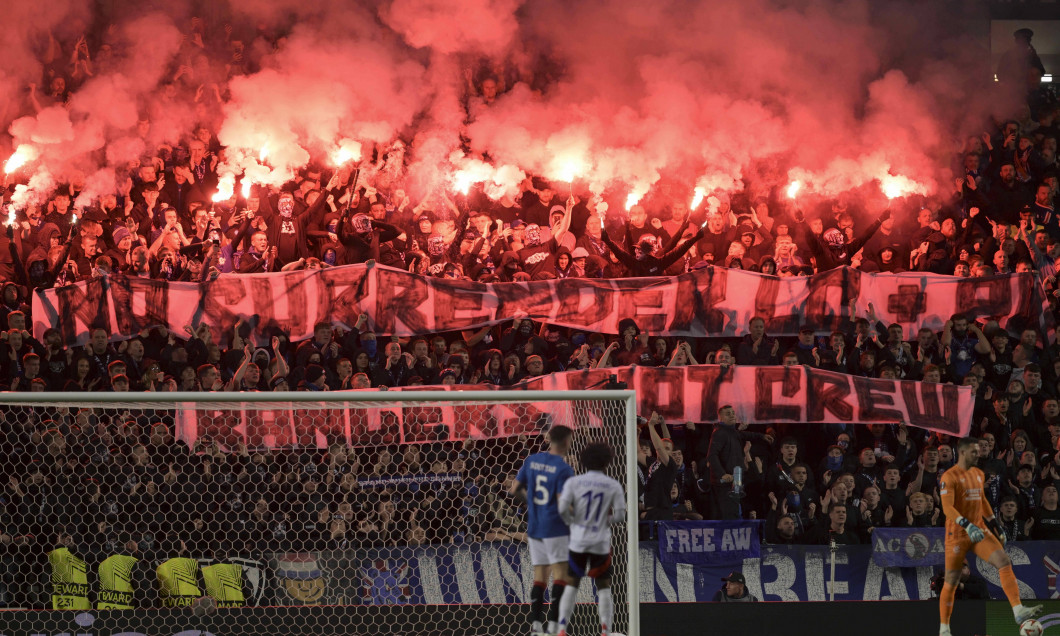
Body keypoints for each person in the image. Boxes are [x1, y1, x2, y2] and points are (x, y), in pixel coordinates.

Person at [938, 437, 1041, 636]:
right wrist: (966, 525)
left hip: (979, 529)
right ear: (962, 453)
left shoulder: (978, 473)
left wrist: (994, 523)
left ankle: (1018, 610)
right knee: (951, 580)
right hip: (958, 532)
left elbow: (982, 499)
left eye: (979, 451)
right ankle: (944, 629)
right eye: (974, 451)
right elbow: (947, 508)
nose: (978, 455)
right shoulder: (949, 477)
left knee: (1003, 560)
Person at [555, 442, 626, 636]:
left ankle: (562, 628)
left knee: (572, 584)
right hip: (600, 542)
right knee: (603, 586)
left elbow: (562, 509)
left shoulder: (574, 483)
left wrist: (573, 521)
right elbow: (620, 516)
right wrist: (605, 520)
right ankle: (605, 629)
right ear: (607, 462)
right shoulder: (613, 485)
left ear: (584, 461)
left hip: (578, 540)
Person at [512, 425, 575, 636]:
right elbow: (561, 502)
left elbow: (514, 489)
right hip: (555, 528)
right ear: (566, 442)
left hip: (535, 527)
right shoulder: (564, 468)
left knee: (539, 577)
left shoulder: (532, 460)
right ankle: (554, 627)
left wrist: (533, 503)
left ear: (549, 439)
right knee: (561, 576)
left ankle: (536, 626)